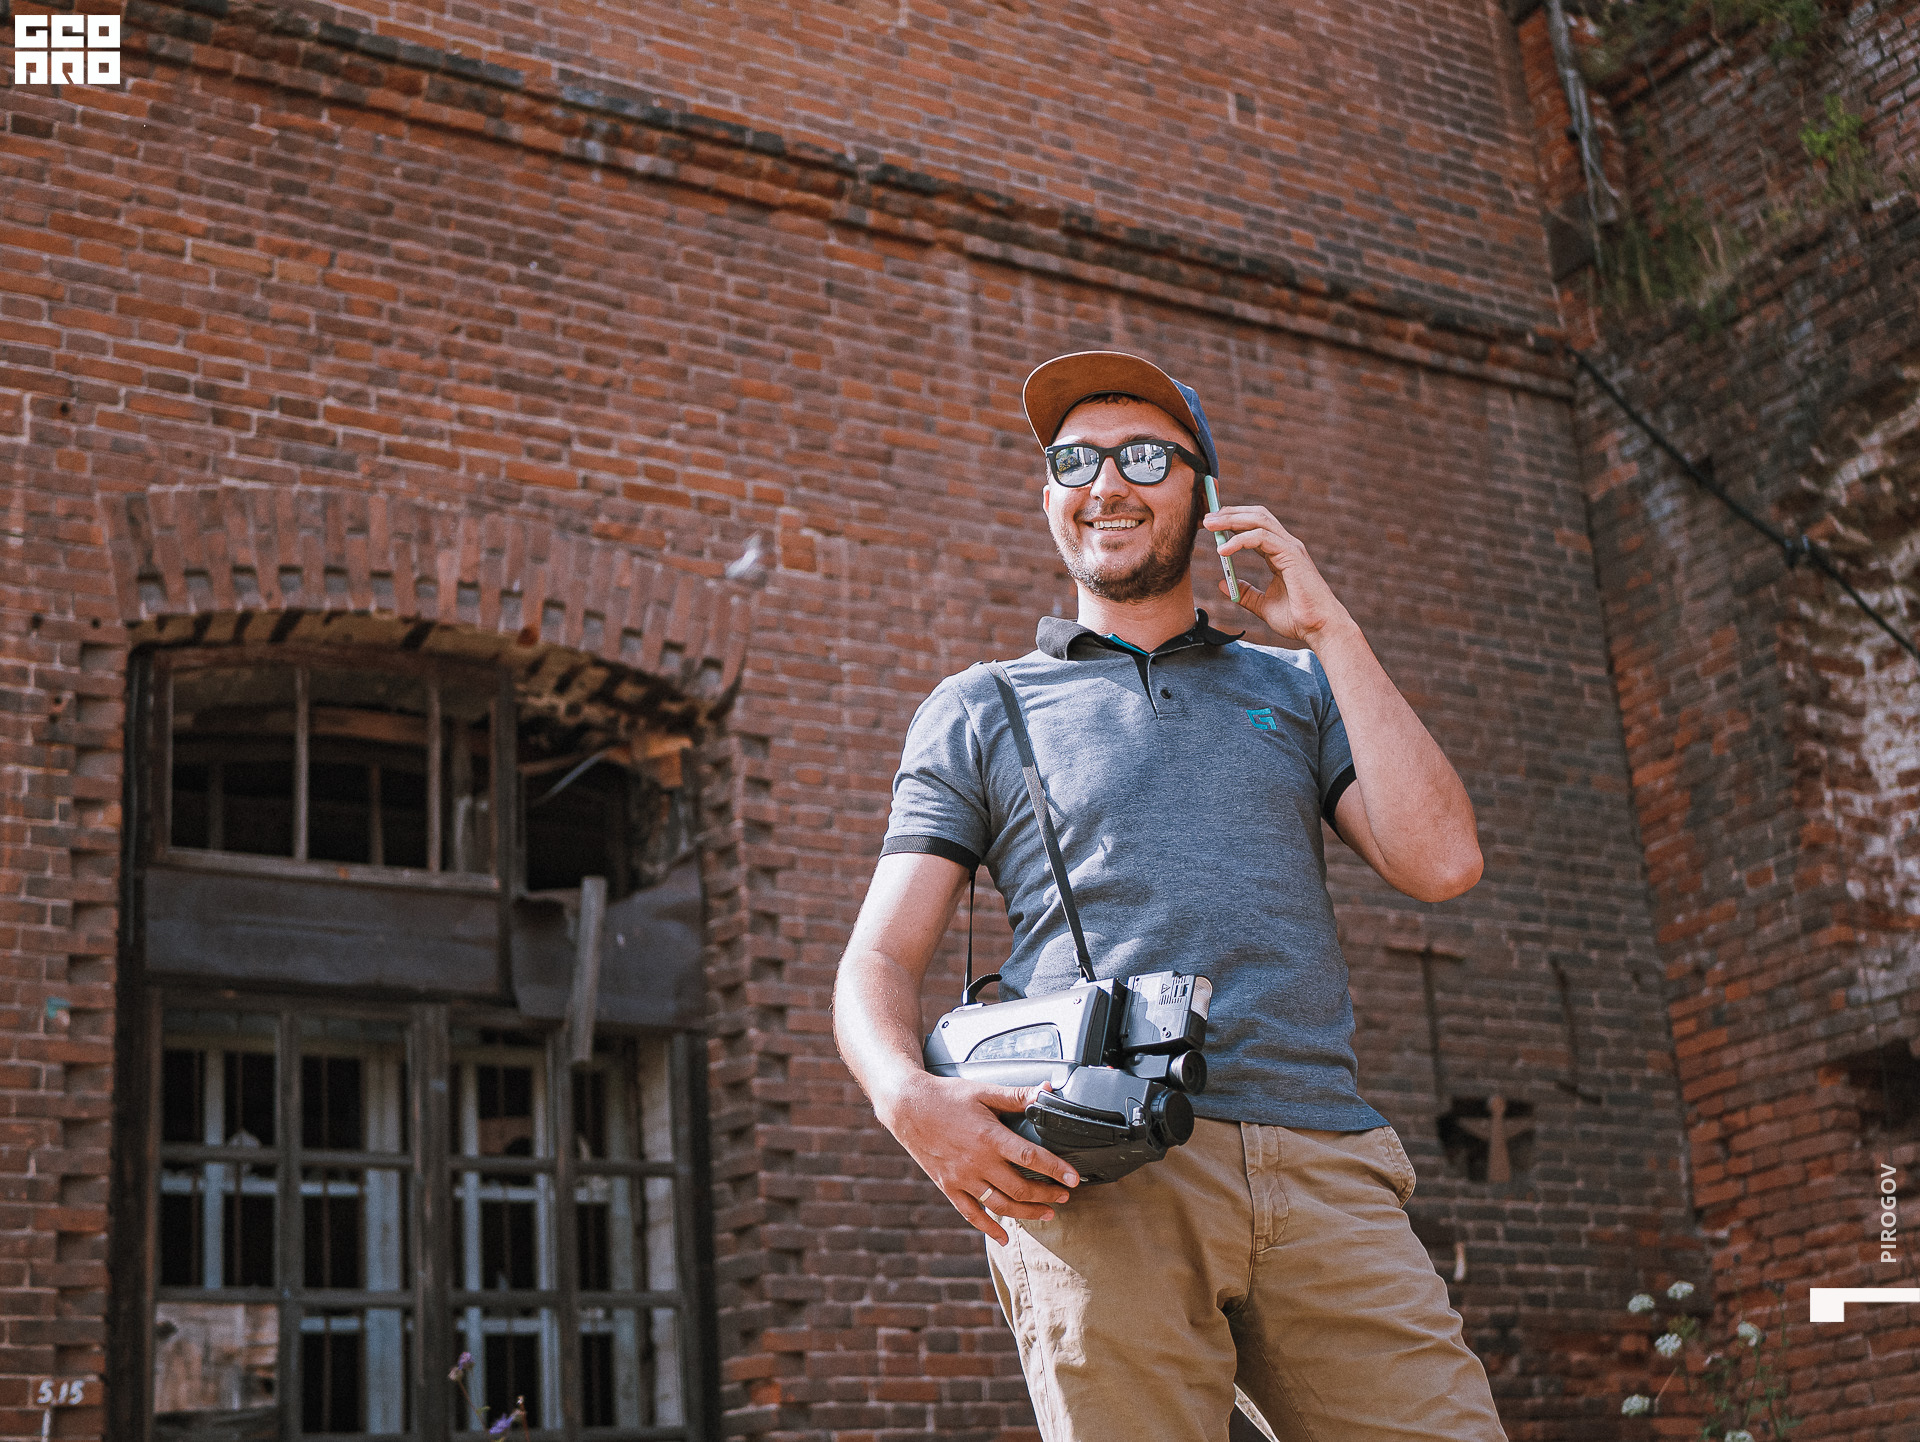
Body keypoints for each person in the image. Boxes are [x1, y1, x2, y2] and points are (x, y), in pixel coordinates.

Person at [832, 351, 1507, 1442]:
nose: (1107, 481)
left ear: (1204, 497)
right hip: (1100, 1172)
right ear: (1049, 493)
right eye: (1075, 459)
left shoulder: (1294, 688)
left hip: (1324, 1156)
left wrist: (1329, 628)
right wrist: (906, 1099)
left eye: (1144, 455)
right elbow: (876, 958)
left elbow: (1442, 861)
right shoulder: (980, 706)